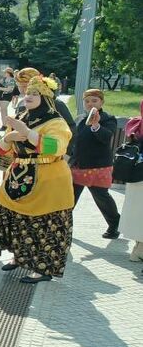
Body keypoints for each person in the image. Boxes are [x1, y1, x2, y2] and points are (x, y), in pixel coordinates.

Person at [0, 71, 75, 283]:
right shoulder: (20, 118)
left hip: (48, 181)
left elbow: (56, 147)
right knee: (16, 220)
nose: (28, 96)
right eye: (27, 92)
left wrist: (28, 133)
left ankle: (43, 268)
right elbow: (2, 151)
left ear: (45, 98)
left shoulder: (56, 122)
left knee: (44, 225)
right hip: (18, 176)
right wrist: (8, 137)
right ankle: (19, 256)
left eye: (34, 94)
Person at [68, 88, 121, 239]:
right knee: (69, 198)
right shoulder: (79, 118)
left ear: (101, 102)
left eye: (94, 101)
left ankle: (114, 225)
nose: (90, 103)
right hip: (78, 166)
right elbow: (74, 141)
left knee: (102, 198)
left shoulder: (108, 119)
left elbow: (106, 137)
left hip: (98, 167)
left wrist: (96, 125)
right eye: (87, 101)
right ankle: (64, 226)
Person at [120, 100, 143, 261]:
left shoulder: (136, 123)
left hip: (135, 173)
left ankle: (138, 247)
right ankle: (139, 248)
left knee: (135, 210)